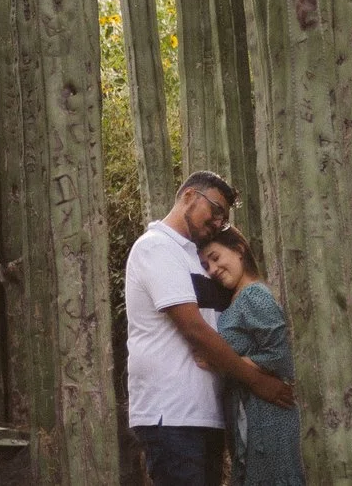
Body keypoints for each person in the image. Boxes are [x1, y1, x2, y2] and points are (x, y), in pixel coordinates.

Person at [123, 171, 295, 486]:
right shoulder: (156, 247)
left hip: (206, 414)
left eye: (223, 218)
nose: (217, 222)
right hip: (170, 414)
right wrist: (257, 381)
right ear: (189, 196)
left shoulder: (197, 258)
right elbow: (195, 330)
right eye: (215, 210)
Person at [201, 224, 304, 486]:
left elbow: (280, 357)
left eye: (215, 258)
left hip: (269, 414)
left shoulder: (254, 295)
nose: (212, 270)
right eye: (206, 266)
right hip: (249, 412)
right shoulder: (236, 299)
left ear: (239, 250)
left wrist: (221, 361)